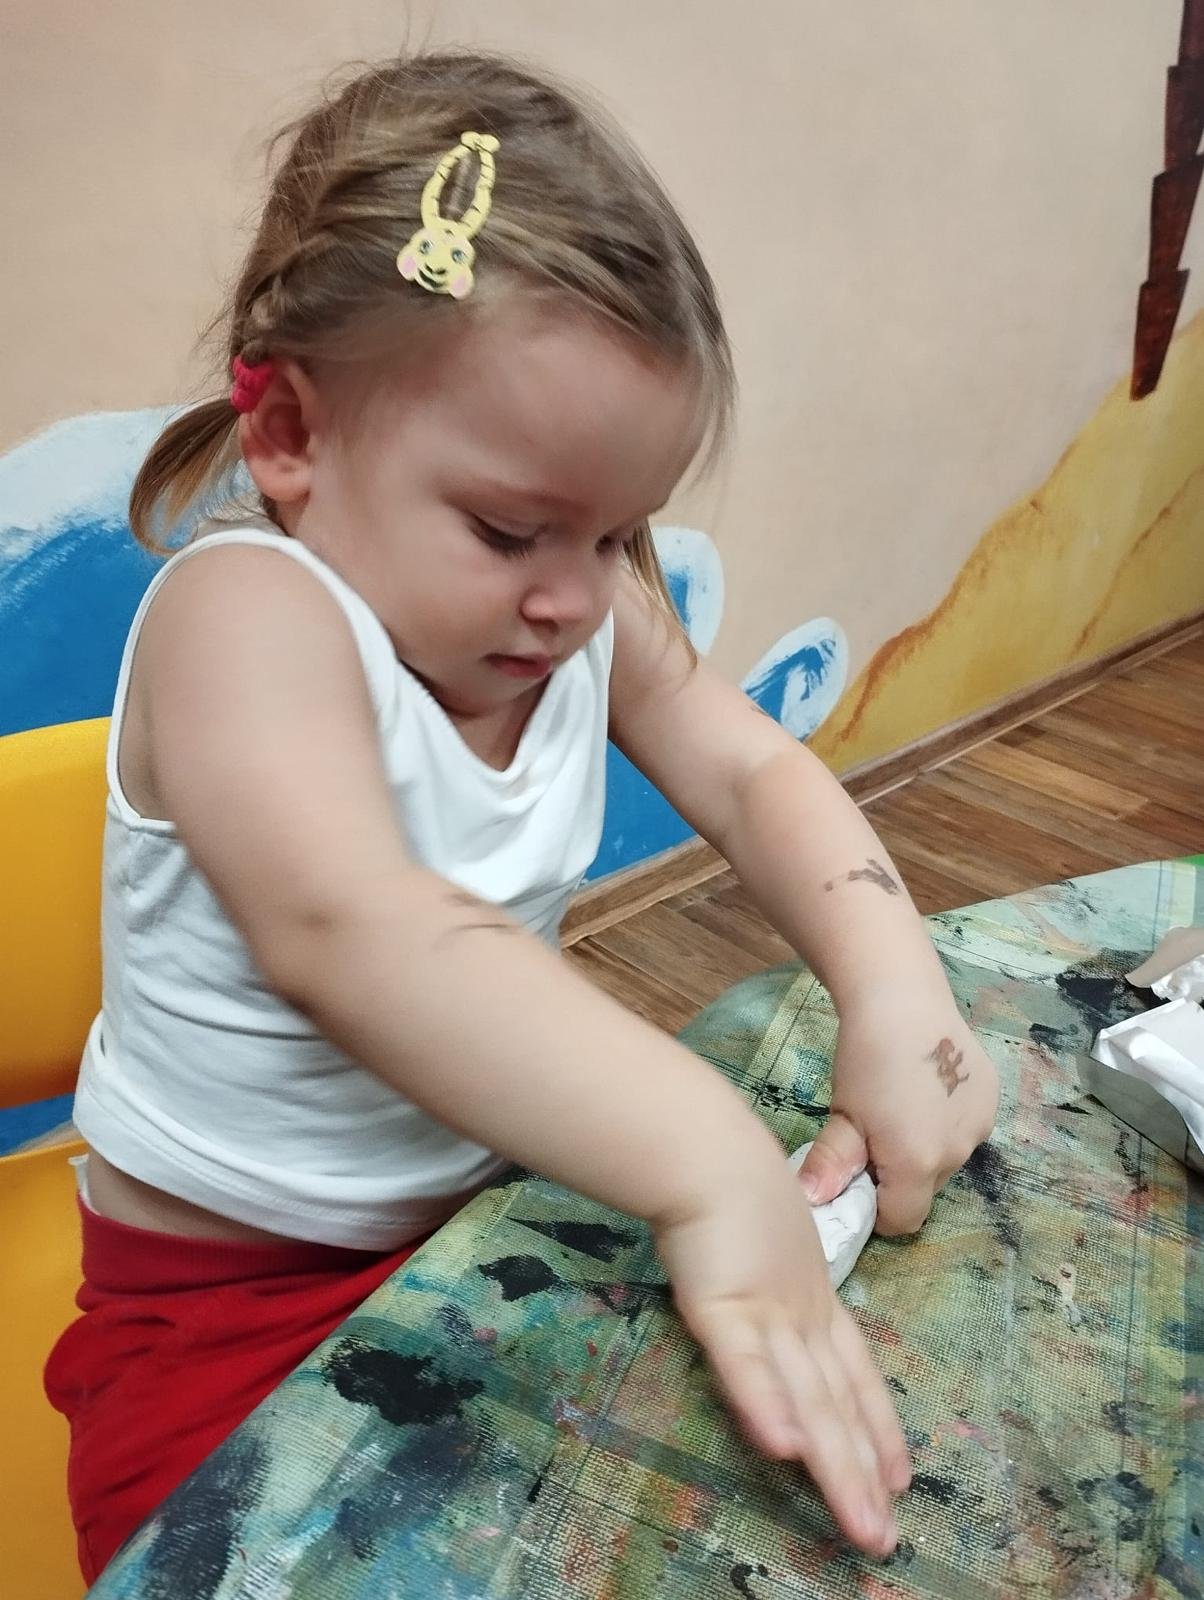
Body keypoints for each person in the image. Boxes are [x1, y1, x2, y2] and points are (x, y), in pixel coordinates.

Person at [44, 51, 999, 1582]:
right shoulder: (246, 620)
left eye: (618, 533)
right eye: (508, 531)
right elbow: (358, 931)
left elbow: (752, 773)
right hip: (219, 1324)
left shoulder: (574, 605)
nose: (576, 599)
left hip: (486, 1227)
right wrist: (706, 1155)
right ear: (290, 436)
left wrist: (896, 990)